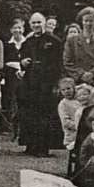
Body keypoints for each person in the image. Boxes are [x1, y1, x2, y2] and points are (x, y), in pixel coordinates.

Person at [19, 13, 64, 157]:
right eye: (34, 23)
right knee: (30, 114)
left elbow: (58, 65)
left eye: (39, 22)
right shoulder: (28, 41)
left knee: (44, 116)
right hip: (30, 83)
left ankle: (43, 148)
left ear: (44, 23)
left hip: (47, 83)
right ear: (30, 24)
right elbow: (22, 60)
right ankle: (31, 145)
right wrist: (23, 63)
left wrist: (56, 84)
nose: (36, 25)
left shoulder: (54, 41)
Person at [62, 7, 94, 81]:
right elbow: (67, 62)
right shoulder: (71, 41)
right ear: (82, 22)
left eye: (91, 21)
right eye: (86, 21)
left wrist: (92, 73)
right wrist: (81, 74)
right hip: (77, 80)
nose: (88, 24)